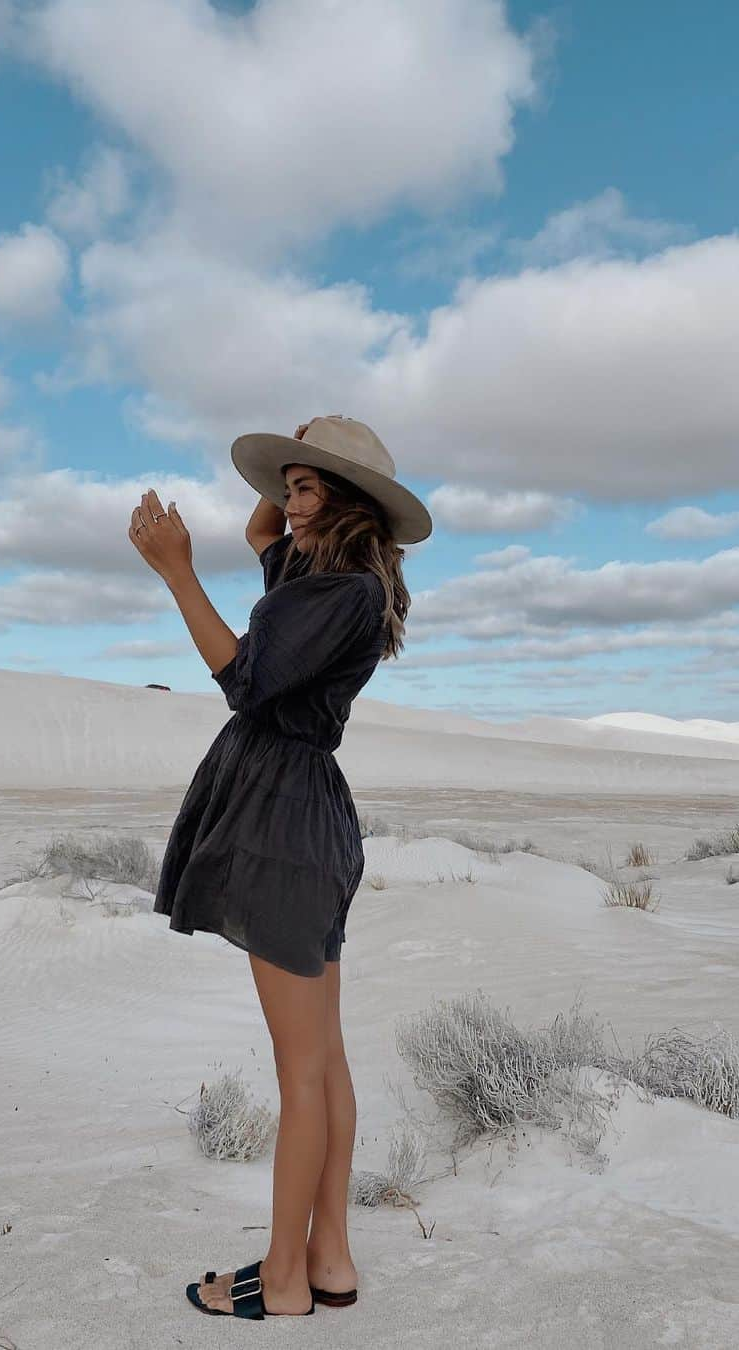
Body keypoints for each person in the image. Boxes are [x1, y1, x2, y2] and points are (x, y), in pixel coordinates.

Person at [127, 414, 432, 1321]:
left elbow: (246, 681)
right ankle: (329, 1256)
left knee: (300, 1071)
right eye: (290, 486)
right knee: (324, 1060)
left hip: (284, 824)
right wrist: (302, 465)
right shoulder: (324, 570)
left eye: (305, 490)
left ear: (348, 506)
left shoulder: (338, 588)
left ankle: (286, 1281)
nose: (285, 506)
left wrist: (177, 573)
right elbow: (263, 532)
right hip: (302, 812)